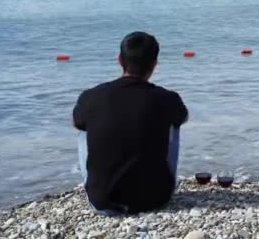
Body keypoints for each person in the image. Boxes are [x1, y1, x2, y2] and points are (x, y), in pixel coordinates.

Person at [73, 31, 188, 215]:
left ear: (120, 60)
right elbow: (183, 117)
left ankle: (100, 183)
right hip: (155, 199)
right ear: (154, 64)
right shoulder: (167, 98)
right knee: (174, 121)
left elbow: (76, 122)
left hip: (102, 202)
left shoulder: (91, 96)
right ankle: (154, 179)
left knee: (84, 124)